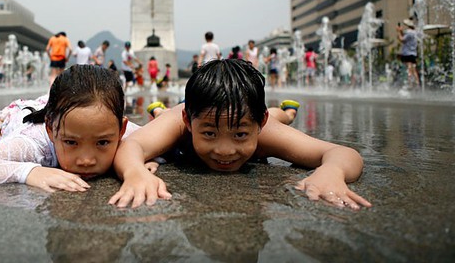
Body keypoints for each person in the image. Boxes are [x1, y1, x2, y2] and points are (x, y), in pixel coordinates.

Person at [108, 59, 371, 210]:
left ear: (259, 125)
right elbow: (132, 145)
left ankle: (285, 112)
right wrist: (134, 172)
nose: (225, 150)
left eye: (241, 136)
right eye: (209, 134)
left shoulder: (265, 130)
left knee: (282, 119)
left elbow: (343, 153)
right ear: (189, 122)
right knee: (166, 120)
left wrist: (332, 171)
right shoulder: (181, 121)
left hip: (265, 117)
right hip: (178, 113)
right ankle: (161, 111)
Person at [0, 65, 146, 192]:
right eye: (71, 142)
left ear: (121, 130)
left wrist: (143, 159)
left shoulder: (117, 128)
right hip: (16, 118)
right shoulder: (34, 144)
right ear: (51, 131)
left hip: (56, 110)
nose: (86, 160)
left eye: (102, 143)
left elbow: (169, 135)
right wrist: (28, 171)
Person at [397, 19, 419, 88]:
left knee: (409, 68)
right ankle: (417, 83)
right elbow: (406, 37)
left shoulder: (409, 32)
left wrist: (398, 32)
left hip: (407, 53)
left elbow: (402, 39)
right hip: (413, 53)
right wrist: (401, 31)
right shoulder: (415, 32)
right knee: (414, 69)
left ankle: (410, 84)